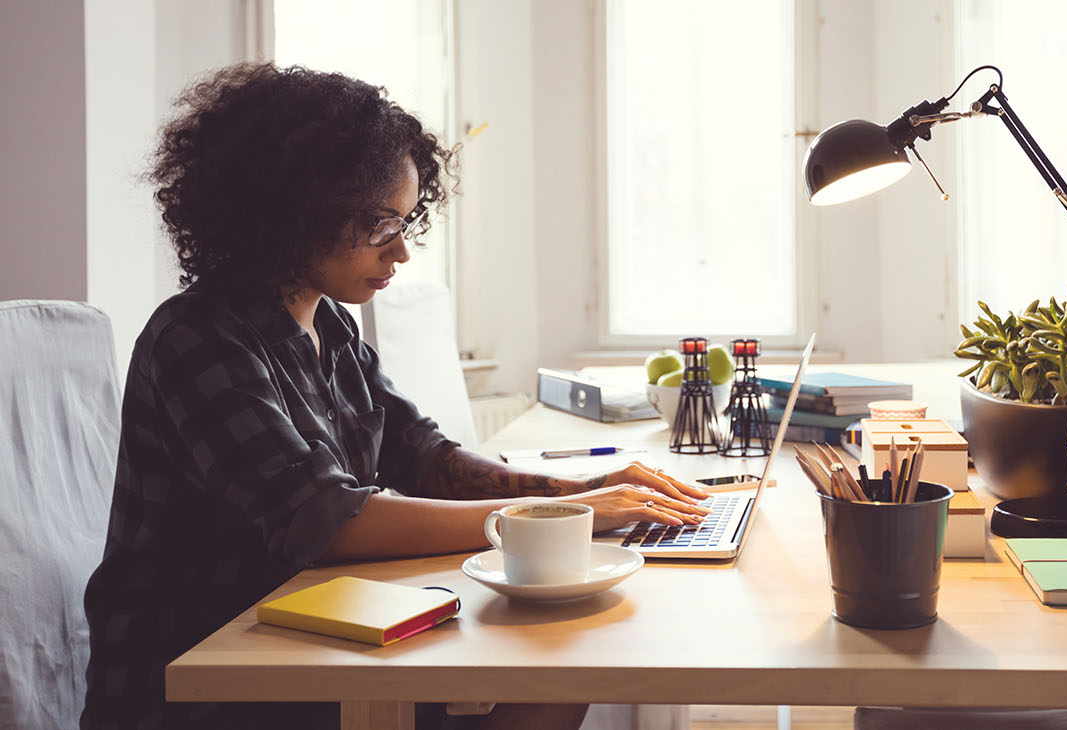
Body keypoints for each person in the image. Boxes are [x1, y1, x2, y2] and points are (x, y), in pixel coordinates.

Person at [80, 63, 709, 730]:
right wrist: (567, 513)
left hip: (310, 642)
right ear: (298, 212)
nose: (402, 251)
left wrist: (584, 489)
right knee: (552, 666)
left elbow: (427, 460)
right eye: (382, 225)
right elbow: (327, 520)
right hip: (199, 687)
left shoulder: (328, 326)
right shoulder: (197, 338)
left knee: (561, 661)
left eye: (405, 223)